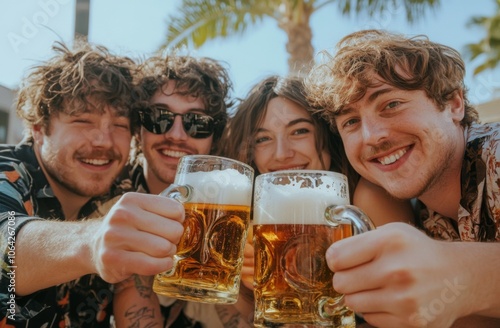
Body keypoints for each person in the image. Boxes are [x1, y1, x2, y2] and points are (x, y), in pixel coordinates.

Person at [305, 29, 500, 327]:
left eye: (391, 105)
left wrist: (459, 272)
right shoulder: (406, 206)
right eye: (352, 122)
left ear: (454, 104)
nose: (372, 137)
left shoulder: (495, 153)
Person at [0, 40, 186, 327]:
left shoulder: (119, 195)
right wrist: (92, 242)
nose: (104, 141)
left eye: (120, 125)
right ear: (39, 129)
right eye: (83, 121)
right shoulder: (8, 171)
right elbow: (6, 241)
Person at [219, 75, 414, 294]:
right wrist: (255, 287)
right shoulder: (248, 218)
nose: (282, 154)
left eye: (299, 131)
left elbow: (404, 300)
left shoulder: (369, 197)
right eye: (263, 139)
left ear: (328, 132)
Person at [112, 53, 254, 328]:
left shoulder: (235, 206)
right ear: (138, 127)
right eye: (159, 118)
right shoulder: (109, 195)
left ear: (215, 134)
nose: (177, 134)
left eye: (197, 123)